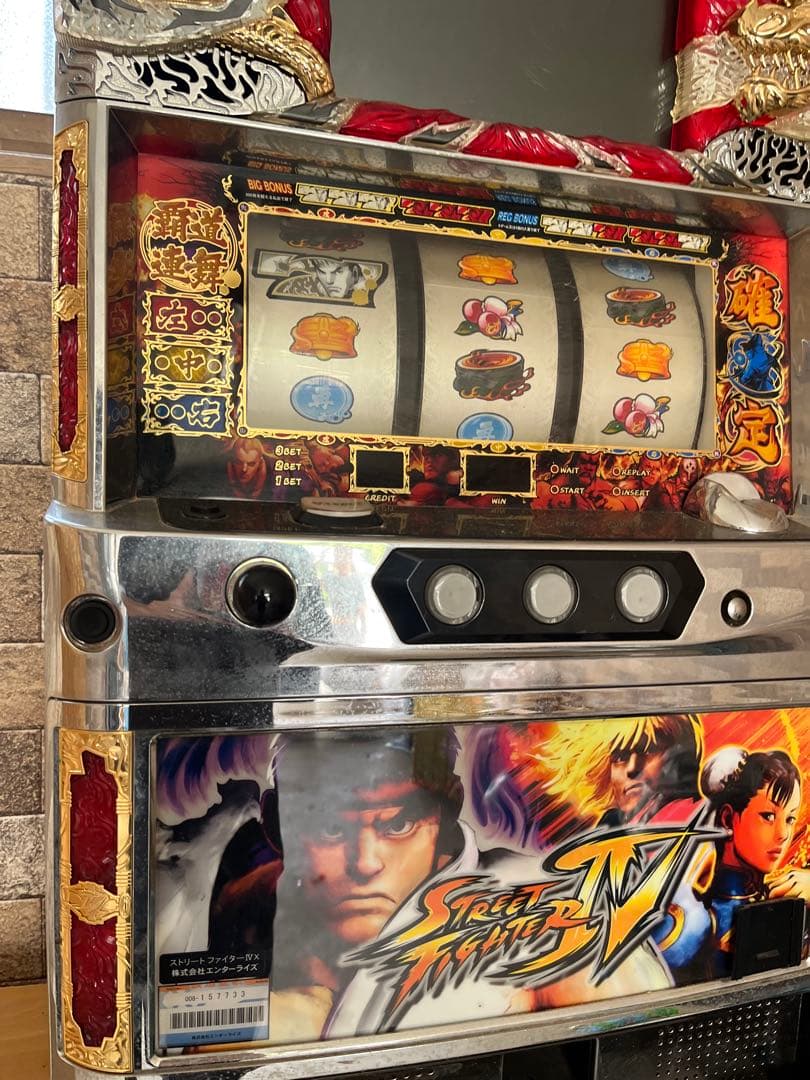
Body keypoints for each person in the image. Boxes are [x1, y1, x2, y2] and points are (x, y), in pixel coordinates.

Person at [658, 747, 804, 980]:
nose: (783, 834)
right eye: (768, 816)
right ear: (728, 818)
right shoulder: (693, 921)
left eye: (790, 819)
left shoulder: (784, 894)